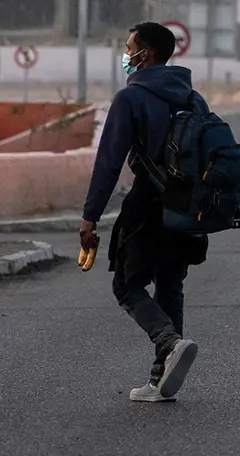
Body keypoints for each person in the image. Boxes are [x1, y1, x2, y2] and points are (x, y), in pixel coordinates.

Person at [80, 22, 208, 403]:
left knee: (126, 284)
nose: (125, 53)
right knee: (170, 284)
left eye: (128, 46)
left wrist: (90, 217)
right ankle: (160, 381)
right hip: (186, 207)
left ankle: (167, 344)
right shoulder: (193, 98)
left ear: (144, 54)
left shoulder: (131, 97)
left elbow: (108, 163)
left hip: (147, 204)